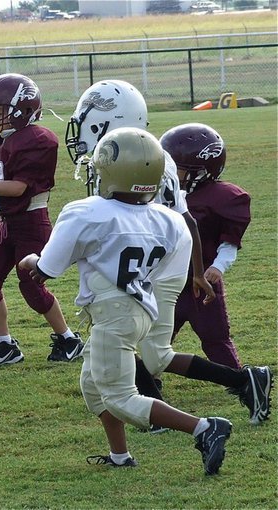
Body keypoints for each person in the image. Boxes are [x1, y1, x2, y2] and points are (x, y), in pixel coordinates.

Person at [20, 127, 232, 475]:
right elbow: (164, 271)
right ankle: (120, 456)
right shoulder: (168, 219)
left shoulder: (85, 212)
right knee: (93, 387)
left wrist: (29, 260)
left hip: (114, 313)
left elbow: (44, 271)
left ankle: (205, 428)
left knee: (121, 397)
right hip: (140, 308)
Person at [64, 79, 216, 418]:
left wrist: (196, 271)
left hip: (153, 266)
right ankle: (148, 408)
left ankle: (226, 392)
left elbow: (183, 220)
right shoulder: (124, 156)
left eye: (87, 123)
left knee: (148, 348)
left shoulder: (148, 162)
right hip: (146, 263)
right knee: (136, 343)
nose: (79, 133)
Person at [0, 73, 83, 369]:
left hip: (31, 222)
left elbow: (20, 187)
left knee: (32, 286)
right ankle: (5, 344)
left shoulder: (37, 140)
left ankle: (68, 339)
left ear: (21, 111)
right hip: (6, 224)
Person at [160, 123, 263, 372]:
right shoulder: (162, 192)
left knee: (216, 338)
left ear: (203, 171)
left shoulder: (223, 199)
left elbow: (229, 243)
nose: (170, 174)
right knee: (156, 339)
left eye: (178, 169)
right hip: (165, 281)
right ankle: (148, 380)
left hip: (201, 284)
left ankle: (239, 381)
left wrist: (218, 266)